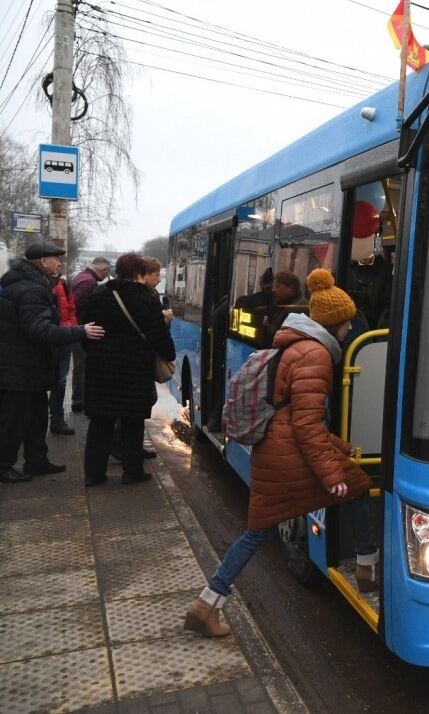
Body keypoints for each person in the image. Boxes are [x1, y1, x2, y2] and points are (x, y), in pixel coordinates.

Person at [184, 269, 375, 638]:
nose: (351, 327)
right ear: (333, 322)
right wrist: (331, 473)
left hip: (276, 447)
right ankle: (368, 568)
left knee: (258, 532)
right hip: (286, 454)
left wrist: (340, 449)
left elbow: (295, 416)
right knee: (354, 486)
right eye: (347, 321)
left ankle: (207, 604)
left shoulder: (300, 345)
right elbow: (305, 424)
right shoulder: (316, 355)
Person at [0, 242, 105, 483]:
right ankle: (3, 466)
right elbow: (39, 330)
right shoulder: (32, 290)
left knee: (36, 418)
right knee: (14, 420)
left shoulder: (27, 284)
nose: (59, 263)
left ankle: (37, 461)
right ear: (43, 261)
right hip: (20, 368)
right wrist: (79, 331)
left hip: (27, 366)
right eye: (56, 259)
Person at [81, 253, 175, 487]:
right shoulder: (146, 300)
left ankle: (94, 475)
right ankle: (132, 472)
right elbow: (159, 337)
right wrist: (169, 354)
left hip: (101, 370)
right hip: (135, 371)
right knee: (133, 422)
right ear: (140, 274)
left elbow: (86, 331)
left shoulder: (99, 295)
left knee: (100, 422)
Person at [70, 256, 110, 412]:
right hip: (82, 329)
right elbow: (76, 304)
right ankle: (83, 401)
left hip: (77, 329)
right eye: (107, 272)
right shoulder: (89, 282)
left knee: (79, 366)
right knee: (84, 366)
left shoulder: (82, 276)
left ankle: (77, 399)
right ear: (103, 270)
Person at [49, 261, 78, 436]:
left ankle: (57, 419)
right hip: (45, 339)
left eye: (60, 265)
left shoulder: (64, 285)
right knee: (38, 381)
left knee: (60, 382)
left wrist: (70, 328)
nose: (58, 267)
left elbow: (72, 308)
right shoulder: (39, 284)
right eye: (55, 264)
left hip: (63, 339)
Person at [263, 270, 306, 343]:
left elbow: (284, 338)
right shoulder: (284, 303)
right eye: (273, 286)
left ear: (290, 288)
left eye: (277, 287)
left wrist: (267, 326)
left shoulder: (296, 309)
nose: (273, 290)